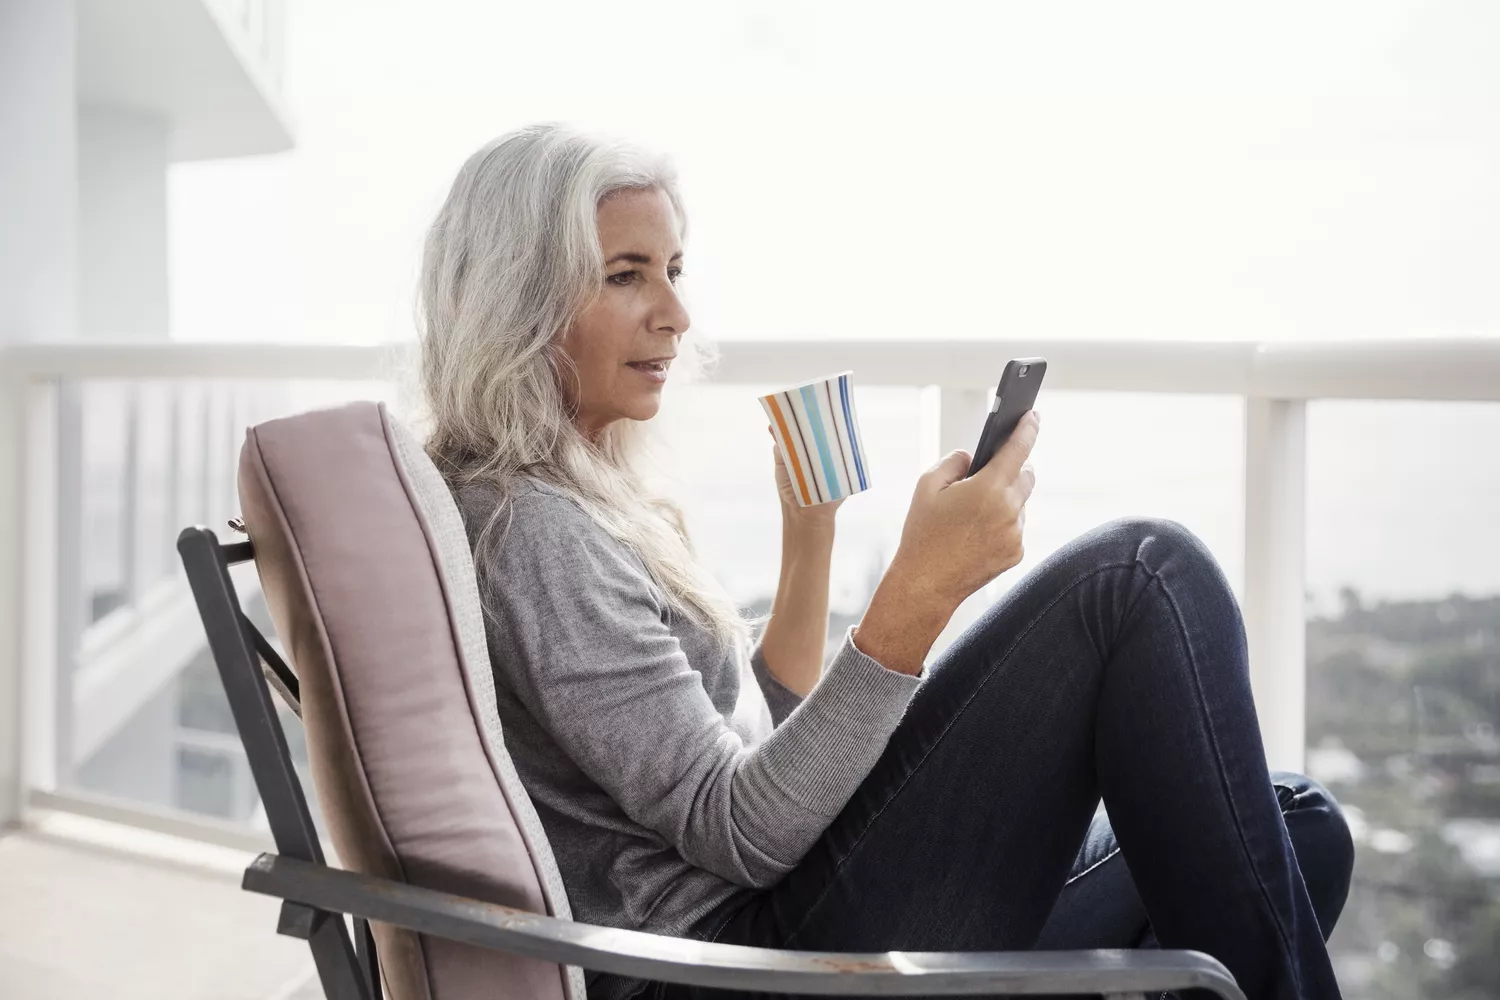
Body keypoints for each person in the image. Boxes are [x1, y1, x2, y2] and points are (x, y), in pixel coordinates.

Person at [418, 123, 1355, 1000]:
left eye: (672, 269)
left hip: (773, 924)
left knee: (1296, 821)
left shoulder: (585, 502)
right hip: (740, 965)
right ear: (519, 296)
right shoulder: (532, 532)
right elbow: (741, 831)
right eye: (627, 276)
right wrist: (920, 589)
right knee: (1139, 578)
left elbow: (747, 750)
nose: (676, 313)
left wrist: (811, 537)